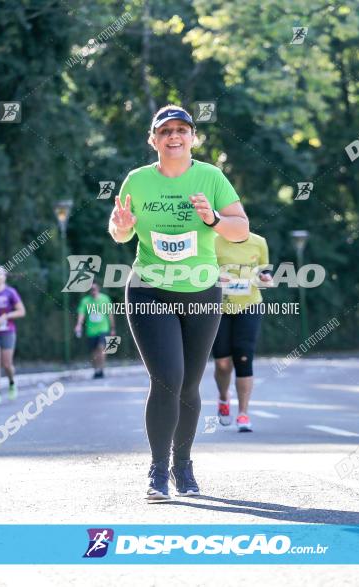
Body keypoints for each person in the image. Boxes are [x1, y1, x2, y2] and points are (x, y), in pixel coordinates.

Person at [109, 104, 249, 501]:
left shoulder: (211, 177)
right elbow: (119, 231)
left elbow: (241, 231)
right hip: (149, 289)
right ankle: (157, 472)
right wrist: (120, 227)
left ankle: (183, 466)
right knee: (167, 379)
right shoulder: (136, 180)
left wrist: (214, 221)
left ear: (192, 138)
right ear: (153, 139)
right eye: (165, 130)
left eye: (181, 130)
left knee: (189, 384)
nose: (174, 136)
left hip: (202, 293)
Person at [212, 232, 272, 432]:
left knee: (244, 357)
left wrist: (265, 278)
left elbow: (265, 272)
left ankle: (243, 414)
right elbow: (200, 272)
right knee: (222, 362)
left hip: (249, 306)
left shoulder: (259, 242)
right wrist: (215, 277)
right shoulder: (213, 240)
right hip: (219, 308)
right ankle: (223, 397)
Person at [0, 266, 25, 404]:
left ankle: (11, 382)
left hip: (8, 331)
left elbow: (21, 311)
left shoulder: (10, 292)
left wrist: (6, 316)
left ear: (5, 277)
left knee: (7, 364)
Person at [74, 282, 115, 379]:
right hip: (91, 331)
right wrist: (79, 325)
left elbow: (110, 314)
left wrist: (113, 328)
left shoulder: (105, 299)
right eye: (91, 289)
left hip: (103, 328)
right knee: (94, 351)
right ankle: (96, 369)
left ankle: (101, 369)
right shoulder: (85, 301)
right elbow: (81, 314)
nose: (93, 291)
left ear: (98, 289)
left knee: (101, 347)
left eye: (95, 289)